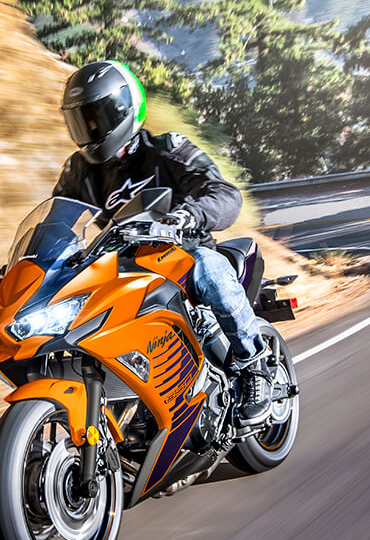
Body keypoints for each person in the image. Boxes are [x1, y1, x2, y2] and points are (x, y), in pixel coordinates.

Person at [53, 60, 272, 425]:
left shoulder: (166, 148)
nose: (90, 128)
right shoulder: (79, 172)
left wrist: (189, 216)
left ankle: (254, 365)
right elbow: (59, 222)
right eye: (81, 120)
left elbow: (224, 194)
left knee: (207, 266)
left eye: (97, 117)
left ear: (124, 110)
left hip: (182, 254)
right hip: (124, 271)